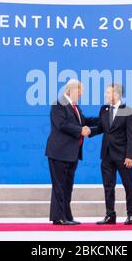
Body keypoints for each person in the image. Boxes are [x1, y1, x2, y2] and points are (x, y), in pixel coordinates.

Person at [45, 79, 96, 225]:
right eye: (79, 92)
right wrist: (80, 130)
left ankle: (67, 216)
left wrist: (104, 121)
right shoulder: (58, 104)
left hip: (72, 153)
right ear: (71, 90)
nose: (80, 95)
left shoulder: (75, 107)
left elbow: (85, 121)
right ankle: (58, 217)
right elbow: (62, 125)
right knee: (60, 185)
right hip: (59, 152)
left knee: (68, 186)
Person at [90, 83, 132, 225]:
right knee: (108, 185)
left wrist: (129, 156)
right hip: (106, 154)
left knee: (127, 184)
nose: (106, 95)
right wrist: (88, 132)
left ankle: (131, 214)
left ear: (116, 94)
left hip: (123, 156)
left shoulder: (127, 111)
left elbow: (131, 135)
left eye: (108, 92)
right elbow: (101, 128)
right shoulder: (104, 109)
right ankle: (110, 215)